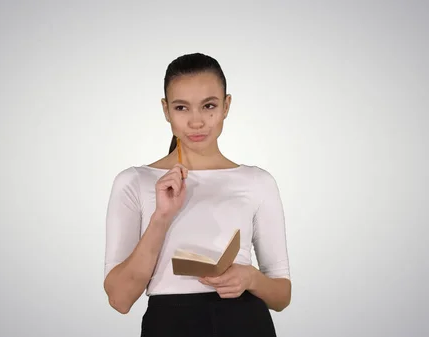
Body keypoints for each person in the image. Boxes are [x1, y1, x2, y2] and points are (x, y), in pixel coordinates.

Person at [103, 52, 291, 337]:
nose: (197, 121)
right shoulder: (134, 182)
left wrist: (250, 278)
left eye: (209, 106)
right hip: (169, 325)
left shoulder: (257, 182)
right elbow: (120, 299)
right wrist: (162, 217)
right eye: (181, 108)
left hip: (244, 323)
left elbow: (281, 295)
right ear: (166, 110)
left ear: (226, 105)